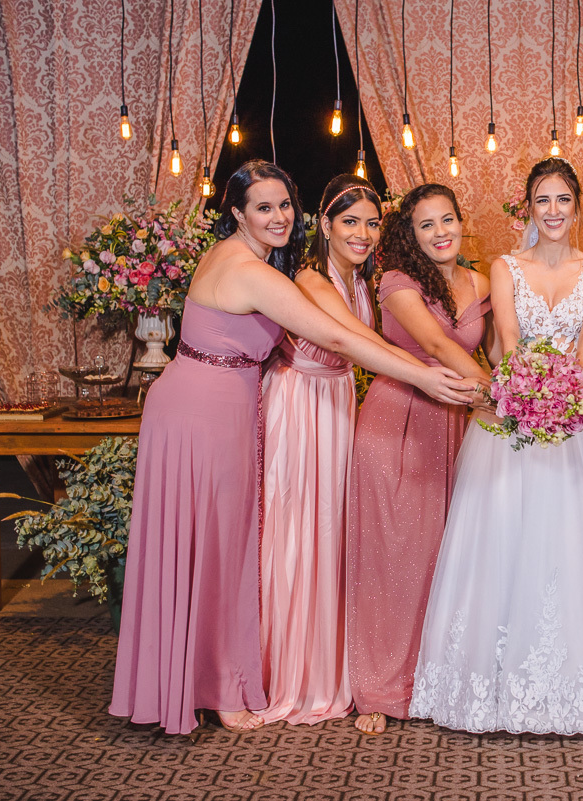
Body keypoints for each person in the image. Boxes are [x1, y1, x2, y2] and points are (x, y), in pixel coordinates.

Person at [110, 161, 472, 736]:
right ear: (236, 213)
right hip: (203, 411)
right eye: (263, 207)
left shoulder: (253, 260)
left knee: (213, 548)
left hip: (220, 402)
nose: (278, 217)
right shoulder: (248, 269)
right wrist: (424, 375)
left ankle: (200, 679)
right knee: (216, 548)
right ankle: (217, 686)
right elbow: (337, 336)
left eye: (284, 205)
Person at [409, 158, 583, 735]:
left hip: (577, 418)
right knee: (505, 538)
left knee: (569, 540)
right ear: (528, 207)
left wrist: (564, 400)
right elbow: (508, 344)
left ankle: (569, 684)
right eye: (542, 200)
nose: (553, 211)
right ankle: (489, 680)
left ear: (577, 207)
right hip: (513, 413)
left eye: (563, 199)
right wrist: (526, 398)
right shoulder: (505, 267)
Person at [257, 175, 409, 726]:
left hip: (337, 403)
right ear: (325, 224)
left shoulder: (361, 280)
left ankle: (334, 663)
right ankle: (291, 673)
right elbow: (354, 341)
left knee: (331, 533)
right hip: (300, 405)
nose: (363, 233)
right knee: (298, 532)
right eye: (350, 222)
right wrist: (426, 375)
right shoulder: (310, 277)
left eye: (372, 223)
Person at [347, 183, 494, 735]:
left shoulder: (480, 283)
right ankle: (378, 687)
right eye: (426, 224)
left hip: (454, 424)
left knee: (441, 556)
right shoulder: (397, 281)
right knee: (391, 557)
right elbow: (436, 345)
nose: (440, 232)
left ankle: (431, 677)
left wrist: (533, 380)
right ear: (410, 234)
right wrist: (503, 395)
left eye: (447, 219)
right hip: (400, 421)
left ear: (461, 221)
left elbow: (496, 348)